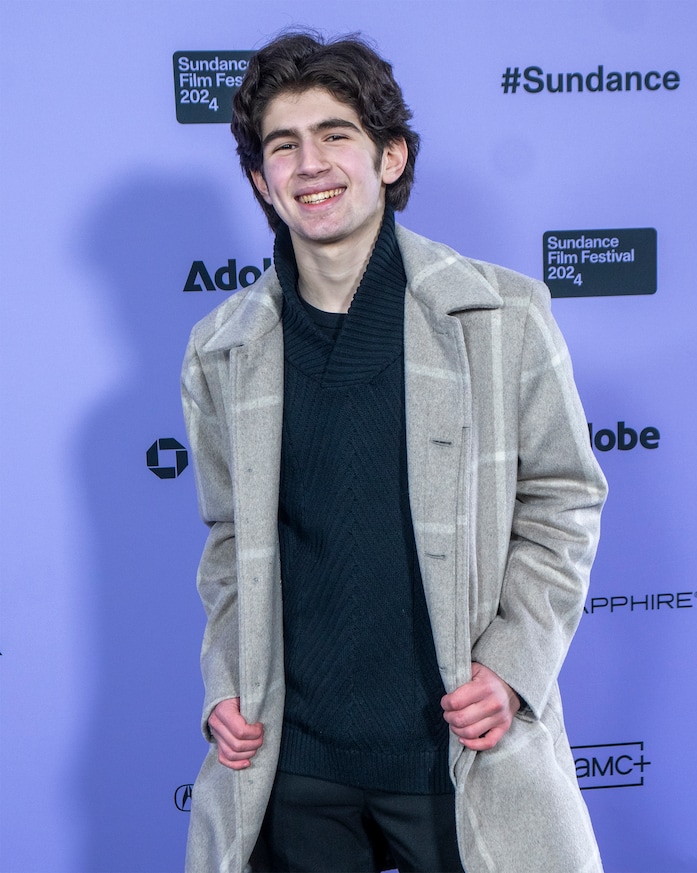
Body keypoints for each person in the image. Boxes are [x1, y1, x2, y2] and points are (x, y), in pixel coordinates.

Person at [181, 30, 607, 873]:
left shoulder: (504, 317)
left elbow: (564, 499)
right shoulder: (219, 348)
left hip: (456, 750)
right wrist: (224, 682)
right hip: (290, 763)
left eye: (336, 134)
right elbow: (230, 542)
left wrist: (514, 667)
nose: (312, 163)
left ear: (389, 157)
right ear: (263, 182)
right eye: (284, 145)